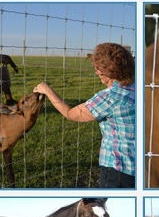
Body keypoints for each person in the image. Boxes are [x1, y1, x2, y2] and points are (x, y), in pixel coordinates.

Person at [34, 42, 135, 188]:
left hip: (118, 169)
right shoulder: (136, 87)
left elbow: (70, 114)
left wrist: (47, 90)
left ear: (105, 71)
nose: (96, 72)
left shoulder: (109, 97)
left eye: (97, 68)